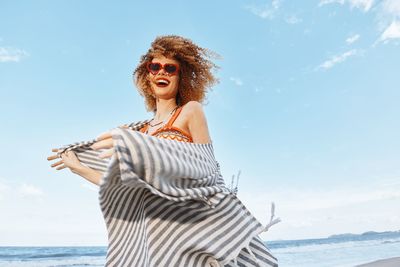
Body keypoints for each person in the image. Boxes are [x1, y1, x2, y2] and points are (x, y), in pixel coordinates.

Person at [47, 35, 279, 267]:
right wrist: (78, 168)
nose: (162, 72)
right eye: (155, 66)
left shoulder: (190, 111)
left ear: (181, 78)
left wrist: (138, 145)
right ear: (147, 76)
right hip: (162, 240)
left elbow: (206, 167)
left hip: (197, 229)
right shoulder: (141, 132)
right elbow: (128, 189)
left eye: (171, 68)